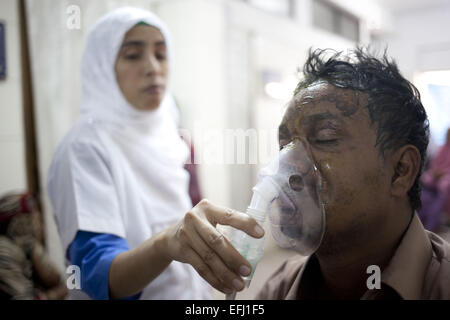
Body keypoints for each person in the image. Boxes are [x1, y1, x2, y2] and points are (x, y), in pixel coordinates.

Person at [46, 7, 263, 300]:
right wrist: (165, 244)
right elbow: (98, 277)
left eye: (161, 55)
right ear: (102, 66)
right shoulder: (85, 147)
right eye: (133, 55)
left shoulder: (174, 137)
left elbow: (196, 215)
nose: (152, 67)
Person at [256, 48, 450, 300]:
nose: (288, 166)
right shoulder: (279, 288)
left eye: (325, 138)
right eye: (284, 146)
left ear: (400, 170)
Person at [0, 192, 68, 299]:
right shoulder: (4, 251)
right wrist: (57, 293)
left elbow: (55, 279)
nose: (38, 223)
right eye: (32, 216)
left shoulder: (24, 249)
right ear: (18, 222)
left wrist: (34, 249)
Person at [419, 128, 450, 231]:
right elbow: (434, 163)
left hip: (446, 175)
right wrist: (436, 171)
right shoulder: (442, 148)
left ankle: (442, 214)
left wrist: (442, 173)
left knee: (444, 186)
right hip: (436, 173)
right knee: (424, 178)